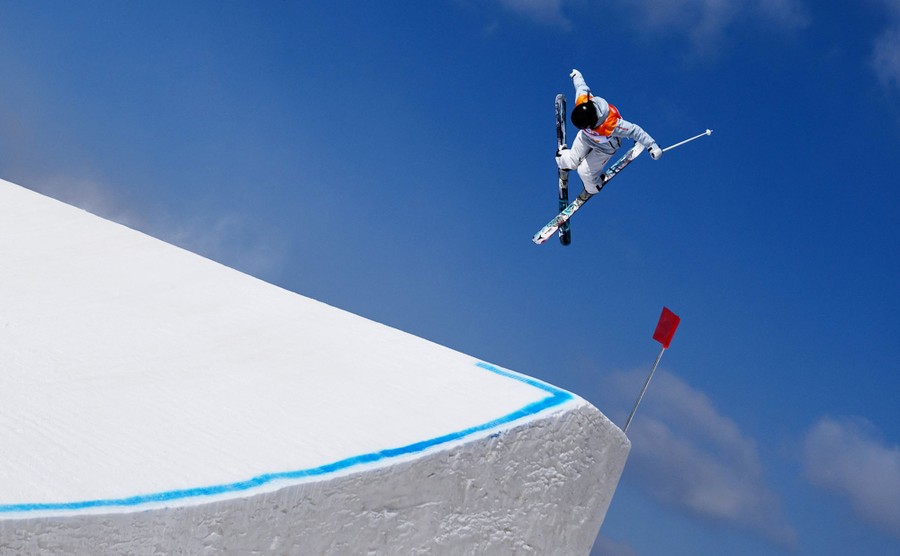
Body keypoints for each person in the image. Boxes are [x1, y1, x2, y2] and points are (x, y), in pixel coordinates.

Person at [557, 69, 662, 195]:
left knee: (584, 171)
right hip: (586, 138)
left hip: (604, 148)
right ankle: (563, 163)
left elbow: (635, 130)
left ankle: (593, 187)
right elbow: (581, 85)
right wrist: (576, 75)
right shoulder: (582, 99)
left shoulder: (610, 124)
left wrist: (652, 146)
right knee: (570, 159)